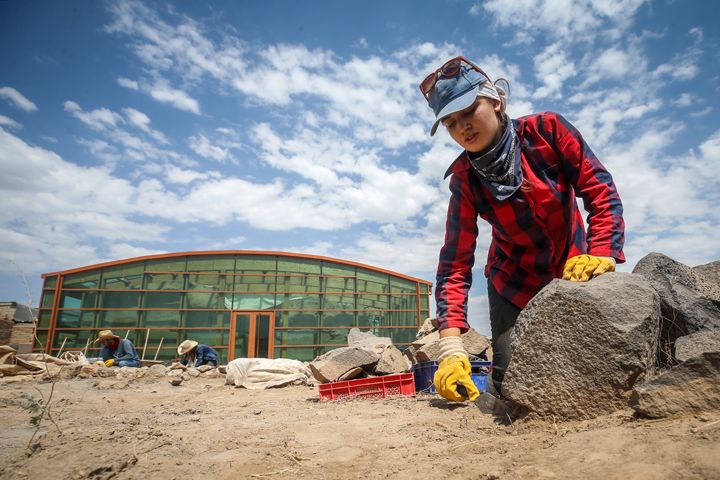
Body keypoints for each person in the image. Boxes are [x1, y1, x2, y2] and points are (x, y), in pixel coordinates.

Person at [420, 57, 625, 403]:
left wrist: (602, 250)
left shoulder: (548, 131)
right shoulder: (466, 182)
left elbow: (599, 189)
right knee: (513, 380)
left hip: (574, 269)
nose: (463, 128)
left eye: (469, 111)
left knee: (588, 366)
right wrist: (451, 347)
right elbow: (455, 263)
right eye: (452, 124)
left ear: (495, 100)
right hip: (512, 283)